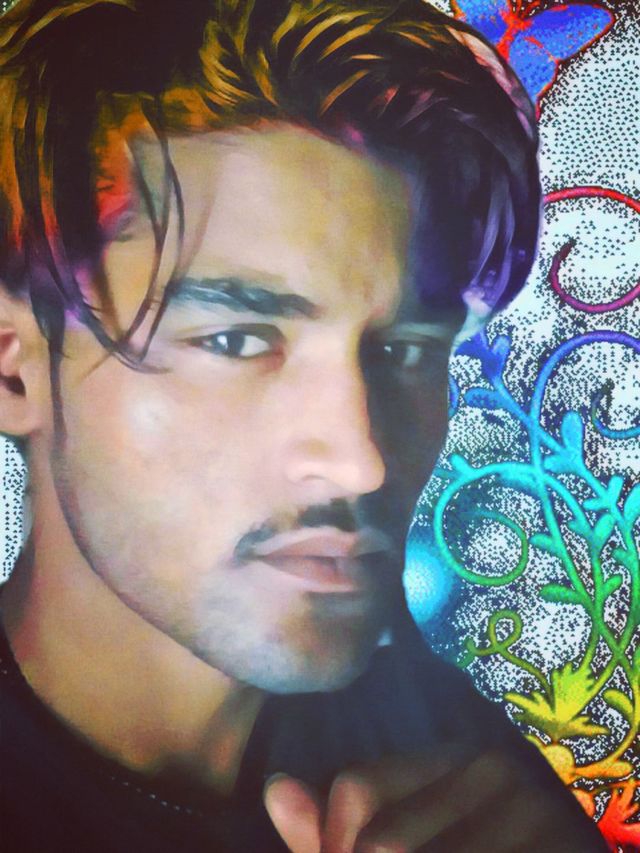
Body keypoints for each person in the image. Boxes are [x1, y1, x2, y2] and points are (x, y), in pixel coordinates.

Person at [0, 1, 608, 850]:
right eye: (238, 340)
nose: (361, 461)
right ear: (14, 368)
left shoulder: (452, 760)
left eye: (403, 349)